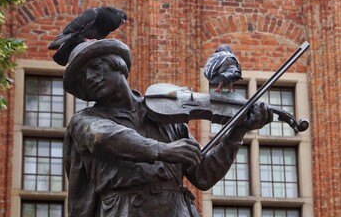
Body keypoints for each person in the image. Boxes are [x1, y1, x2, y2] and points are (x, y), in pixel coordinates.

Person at [63, 39, 273, 217]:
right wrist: (163, 150)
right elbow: (103, 136)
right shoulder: (85, 121)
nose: (90, 78)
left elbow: (203, 175)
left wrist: (237, 132)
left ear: (118, 65)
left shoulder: (167, 112)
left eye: (96, 67)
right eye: (83, 77)